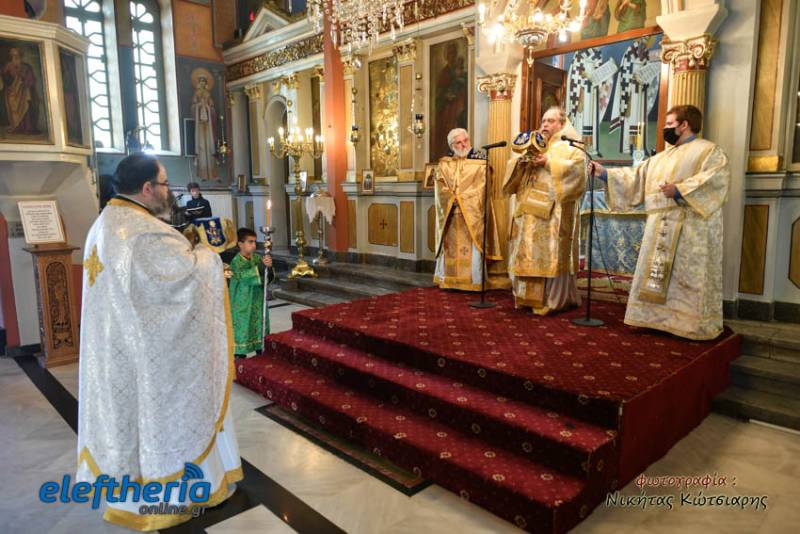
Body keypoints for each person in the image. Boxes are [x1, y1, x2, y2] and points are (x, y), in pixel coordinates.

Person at [77, 153, 242, 530]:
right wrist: (205, 253)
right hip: (149, 356)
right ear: (147, 188)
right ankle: (174, 495)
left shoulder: (105, 223)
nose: (169, 191)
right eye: (165, 183)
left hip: (116, 351)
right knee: (160, 415)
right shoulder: (142, 232)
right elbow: (182, 279)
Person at [591, 105, 731, 340]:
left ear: (684, 125)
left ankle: (687, 324)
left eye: (669, 124)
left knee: (685, 279)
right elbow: (635, 177)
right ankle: (650, 319)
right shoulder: (660, 158)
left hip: (691, 228)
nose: (665, 129)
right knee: (654, 274)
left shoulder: (708, 151)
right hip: (659, 228)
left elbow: (716, 180)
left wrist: (680, 190)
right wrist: (604, 173)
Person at [503, 107, 587, 315]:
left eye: (550, 121)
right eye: (543, 120)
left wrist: (548, 162)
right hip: (527, 212)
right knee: (526, 253)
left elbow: (578, 173)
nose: (545, 125)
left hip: (552, 216)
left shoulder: (572, 147)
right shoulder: (535, 144)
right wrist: (521, 162)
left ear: (561, 123)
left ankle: (551, 300)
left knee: (548, 254)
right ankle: (525, 298)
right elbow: (513, 176)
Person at [433, 128, 508, 291]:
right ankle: (449, 280)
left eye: (465, 140)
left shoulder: (480, 161)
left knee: (473, 248)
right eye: (458, 142)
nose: (463, 145)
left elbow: (483, 187)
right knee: (449, 247)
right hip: (451, 215)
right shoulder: (444, 164)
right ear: (452, 145)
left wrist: (462, 199)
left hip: (472, 215)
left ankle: (473, 281)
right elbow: (440, 187)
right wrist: (451, 199)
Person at [228, 227, 273, 358]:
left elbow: (266, 277)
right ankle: (240, 357)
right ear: (240, 244)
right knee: (243, 329)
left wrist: (268, 268)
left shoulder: (257, 258)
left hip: (257, 301)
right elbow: (244, 276)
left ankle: (261, 351)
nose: (254, 245)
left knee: (259, 327)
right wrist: (260, 267)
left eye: (255, 242)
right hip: (242, 303)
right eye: (250, 242)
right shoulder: (236, 261)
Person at [1, 47, 40, 135]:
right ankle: (16, 127)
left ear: (20, 56)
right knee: (13, 110)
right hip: (12, 93)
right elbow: (5, 79)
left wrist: (23, 80)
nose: (15, 57)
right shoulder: (7, 66)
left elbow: (31, 80)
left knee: (26, 108)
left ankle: (27, 128)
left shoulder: (26, 66)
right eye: (13, 55)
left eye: (17, 55)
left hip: (24, 93)